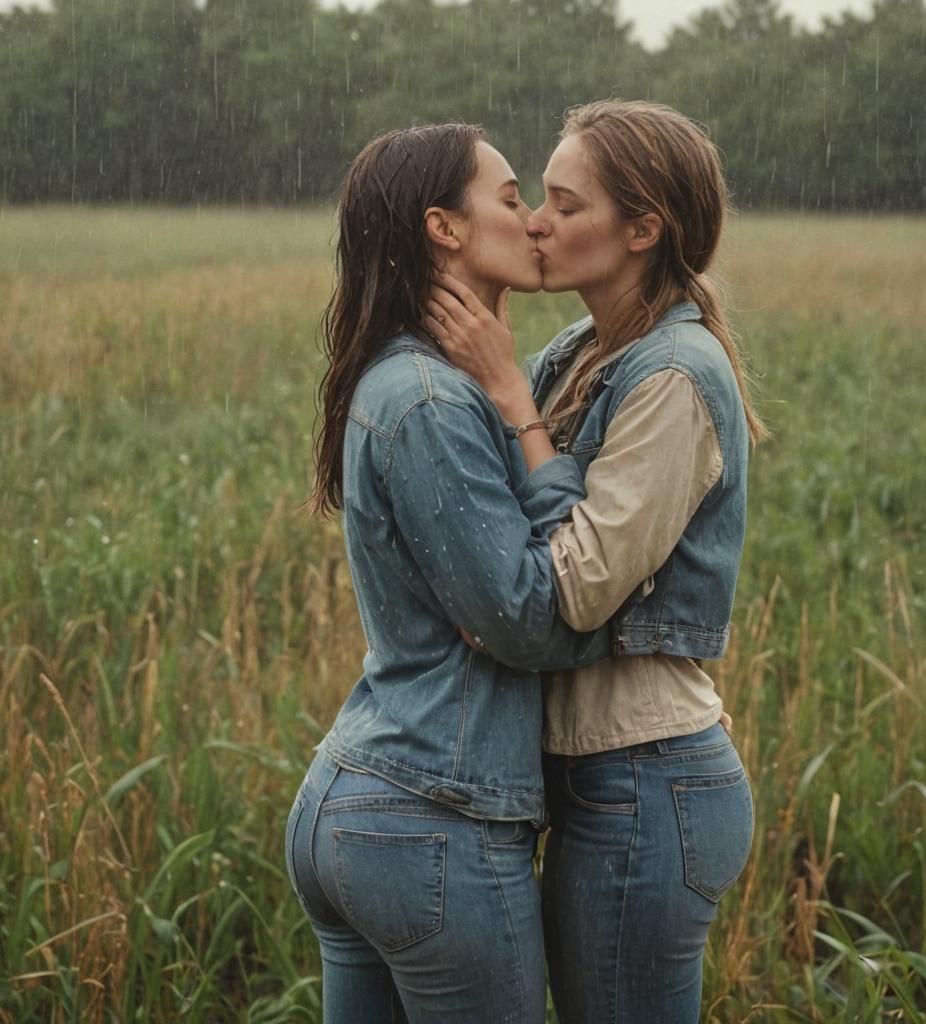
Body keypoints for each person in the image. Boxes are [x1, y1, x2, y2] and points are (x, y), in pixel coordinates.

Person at [426, 99, 764, 1024]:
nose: (537, 221)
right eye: (538, 198)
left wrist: (506, 390)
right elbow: (503, 519)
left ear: (643, 229)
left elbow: (575, 585)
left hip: (649, 779)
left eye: (566, 205)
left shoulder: (674, 378)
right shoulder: (581, 349)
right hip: (598, 777)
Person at [283, 123, 612, 1024]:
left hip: (373, 805)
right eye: (510, 199)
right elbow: (534, 622)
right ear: (445, 229)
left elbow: (500, 611)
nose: (534, 221)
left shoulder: (410, 380)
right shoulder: (430, 399)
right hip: (430, 817)